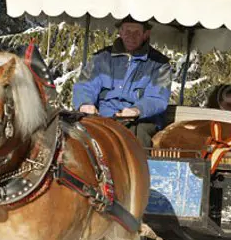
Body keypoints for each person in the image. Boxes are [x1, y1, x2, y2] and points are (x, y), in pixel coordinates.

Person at [72, 16, 172, 148]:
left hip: (139, 120)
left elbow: (157, 98)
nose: (131, 36)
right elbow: (85, 85)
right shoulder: (101, 58)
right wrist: (85, 103)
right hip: (103, 116)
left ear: (145, 34)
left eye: (136, 32)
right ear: (120, 31)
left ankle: (142, 167)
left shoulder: (159, 64)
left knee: (137, 138)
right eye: (127, 31)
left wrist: (137, 110)